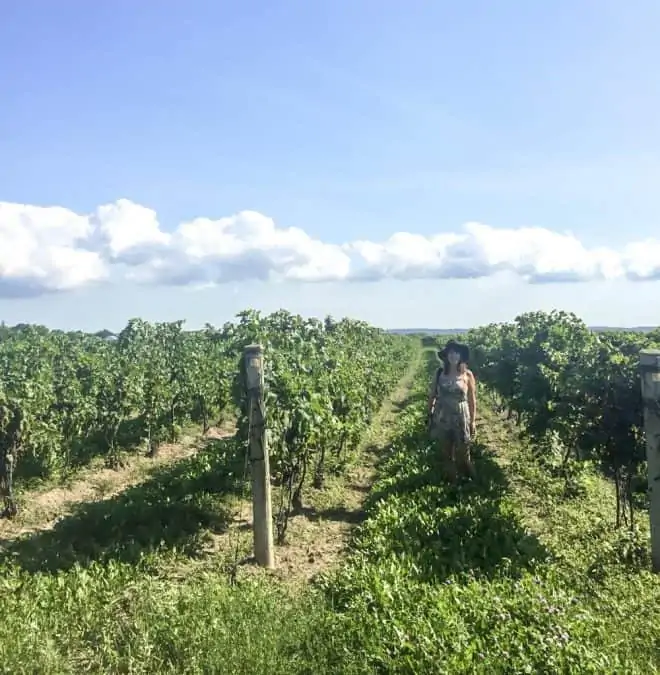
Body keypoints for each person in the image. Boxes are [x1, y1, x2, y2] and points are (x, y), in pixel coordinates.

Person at [427, 339, 477, 480]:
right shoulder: (439, 373)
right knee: (447, 452)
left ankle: (471, 480)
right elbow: (432, 395)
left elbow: (472, 400)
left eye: (456, 353)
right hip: (443, 417)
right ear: (446, 356)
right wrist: (429, 414)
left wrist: (472, 421)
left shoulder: (467, 375)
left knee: (464, 451)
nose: (453, 356)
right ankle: (451, 482)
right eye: (451, 353)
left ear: (461, 356)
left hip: (462, 418)